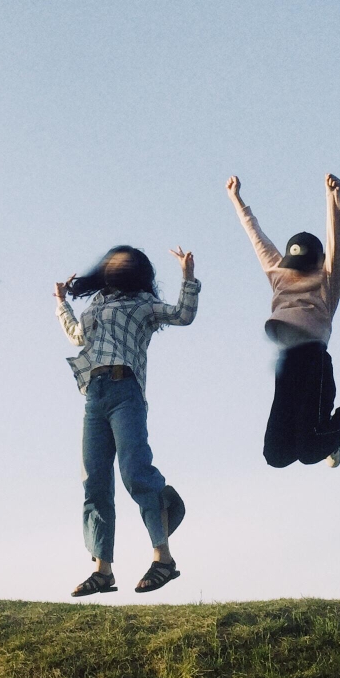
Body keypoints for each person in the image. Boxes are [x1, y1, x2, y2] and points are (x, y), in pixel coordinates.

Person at [226, 173, 340, 470]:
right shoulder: (279, 275)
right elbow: (256, 238)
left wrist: (334, 199)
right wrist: (237, 199)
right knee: (276, 455)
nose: (298, 274)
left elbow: (339, 246)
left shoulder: (329, 282)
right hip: (286, 366)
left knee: (308, 453)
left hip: (314, 362)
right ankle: (327, 438)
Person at [56, 246, 199, 597]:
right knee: (95, 482)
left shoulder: (143, 305)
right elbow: (76, 334)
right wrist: (61, 302)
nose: (114, 263)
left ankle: (163, 560)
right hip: (95, 396)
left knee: (136, 472)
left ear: (134, 270)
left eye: (123, 260)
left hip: (126, 391)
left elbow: (183, 314)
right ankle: (102, 570)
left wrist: (188, 276)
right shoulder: (95, 305)